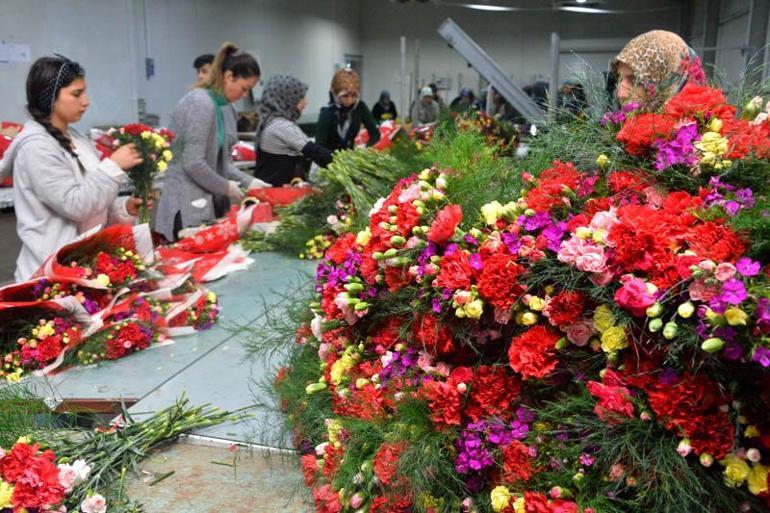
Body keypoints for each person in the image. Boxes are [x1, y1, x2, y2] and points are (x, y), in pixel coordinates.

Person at [0, 55, 144, 282]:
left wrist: (124, 208)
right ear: (49, 99)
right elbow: (76, 205)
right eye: (76, 94)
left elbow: (93, 203)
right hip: (49, 275)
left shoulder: (77, 139)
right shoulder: (36, 148)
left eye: (84, 92)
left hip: (81, 265)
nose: (86, 101)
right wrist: (114, 166)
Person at [155, 42, 268, 242]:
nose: (244, 95)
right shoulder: (201, 103)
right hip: (185, 205)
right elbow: (193, 163)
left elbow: (217, 161)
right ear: (228, 76)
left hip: (200, 203)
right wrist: (226, 187)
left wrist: (248, 181)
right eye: (244, 88)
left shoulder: (219, 106)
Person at [255, 75, 333, 185]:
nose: (305, 102)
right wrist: (347, 163)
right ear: (288, 99)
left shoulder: (274, 120)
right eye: (301, 98)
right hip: (275, 193)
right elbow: (314, 151)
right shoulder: (279, 125)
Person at [612, 30, 705, 109]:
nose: (621, 94)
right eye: (619, 79)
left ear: (670, 81)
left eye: (635, 80)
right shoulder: (620, 127)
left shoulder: (711, 128)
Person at [316, 68, 380, 153]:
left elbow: (375, 133)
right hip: (329, 161)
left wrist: (367, 150)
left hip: (350, 158)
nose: (350, 101)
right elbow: (319, 146)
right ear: (335, 95)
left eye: (354, 95)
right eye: (345, 96)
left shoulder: (360, 107)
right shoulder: (327, 114)